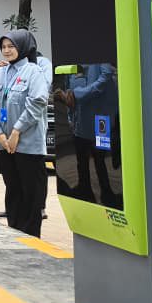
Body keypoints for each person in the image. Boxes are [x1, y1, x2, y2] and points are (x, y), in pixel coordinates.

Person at [0, 29, 50, 237]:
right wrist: (0, 135)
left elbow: (37, 102)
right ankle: (15, 235)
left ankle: (31, 239)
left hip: (28, 144)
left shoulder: (34, 71)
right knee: (12, 191)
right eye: (3, 47)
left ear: (23, 47)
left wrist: (16, 131)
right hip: (5, 144)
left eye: (11, 46)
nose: (6, 50)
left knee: (31, 194)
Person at [55, 63, 120, 208]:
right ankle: (85, 191)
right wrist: (71, 116)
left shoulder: (101, 64)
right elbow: (68, 90)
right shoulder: (74, 63)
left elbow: (105, 77)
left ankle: (107, 194)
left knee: (100, 159)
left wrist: (78, 94)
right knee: (81, 160)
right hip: (79, 120)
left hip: (100, 119)